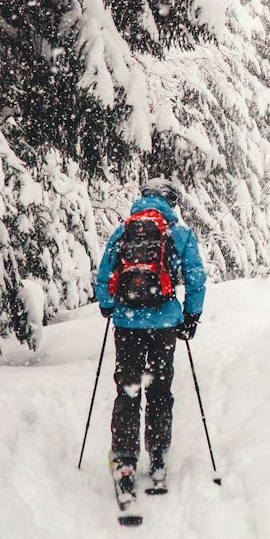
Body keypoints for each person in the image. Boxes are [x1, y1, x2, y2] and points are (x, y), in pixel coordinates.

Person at [95, 178, 206, 507]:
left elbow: (104, 274)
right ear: (171, 202)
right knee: (159, 388)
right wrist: (191, 316)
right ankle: (157, 459)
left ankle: (126, 462)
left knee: (128, 389)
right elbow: (196, 277)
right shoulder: (180, 234)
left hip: (127, 324)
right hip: (165, 324)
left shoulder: (123, 231)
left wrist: (108, 304)